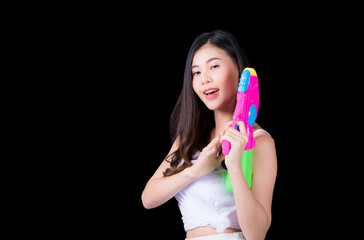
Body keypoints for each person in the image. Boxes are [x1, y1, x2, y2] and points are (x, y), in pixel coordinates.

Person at [142, 30, 277, 240]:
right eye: (196, 72)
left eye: (214, 66)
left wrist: (234, 166)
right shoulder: (190, 138)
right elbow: (148, 199)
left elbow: (257, 234)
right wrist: (196, 170)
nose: (204, 79)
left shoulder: (260, 142)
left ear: (241, 72)